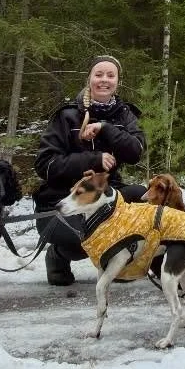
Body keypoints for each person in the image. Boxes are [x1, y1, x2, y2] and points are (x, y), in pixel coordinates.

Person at [34, 55, 147, 286]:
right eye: (99, 74)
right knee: (86, 235)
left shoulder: (125, 115)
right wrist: (93, 159)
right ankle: (58, 255)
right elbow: (45, 165)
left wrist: (106, 129)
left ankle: (119, 259)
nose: (104, 80)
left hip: (107, 194)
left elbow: (136, 152)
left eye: (110, 75)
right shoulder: (67, 116)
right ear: (89, 79)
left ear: (118, 81)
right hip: (63, 196)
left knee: (144, 199)